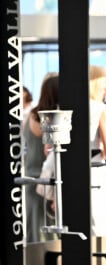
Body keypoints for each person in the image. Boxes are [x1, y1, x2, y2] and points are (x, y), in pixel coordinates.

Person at [22, 73, 58, 242]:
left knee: (34, 228)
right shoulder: (55, 119)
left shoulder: (31, 115)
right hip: (50, 179)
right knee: (53, 230)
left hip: (31, 176)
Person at [89, 65, 106, 237]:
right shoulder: (100, 109)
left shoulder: (69, 105)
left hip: (71, 171)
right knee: (98, 225)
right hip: (96, 170)